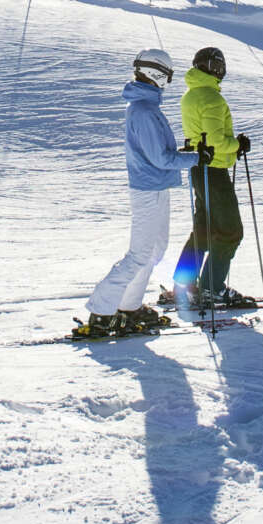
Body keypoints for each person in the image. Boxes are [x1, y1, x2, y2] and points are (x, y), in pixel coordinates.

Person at [72, 49, 198, 340]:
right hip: (147, 189)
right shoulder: (143, 110)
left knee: (155, 250)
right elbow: (160, 158)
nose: (168, 81)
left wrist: (190, 155)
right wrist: (194, 158)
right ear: (157, 74)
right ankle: (102, 311)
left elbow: (161, 156)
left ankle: (129, 306)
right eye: (167, 75)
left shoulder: (146, 106)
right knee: (140, 254)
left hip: (156, 187)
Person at [174, 45, 254, 310]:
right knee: (230, 231)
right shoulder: (211, 98)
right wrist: (237, 145)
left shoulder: (191, 94)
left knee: (205, 230)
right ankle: (212, 288)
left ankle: (184, 284)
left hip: (199, 168)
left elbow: (204, 138)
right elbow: (217, 141)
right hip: (214, 171)